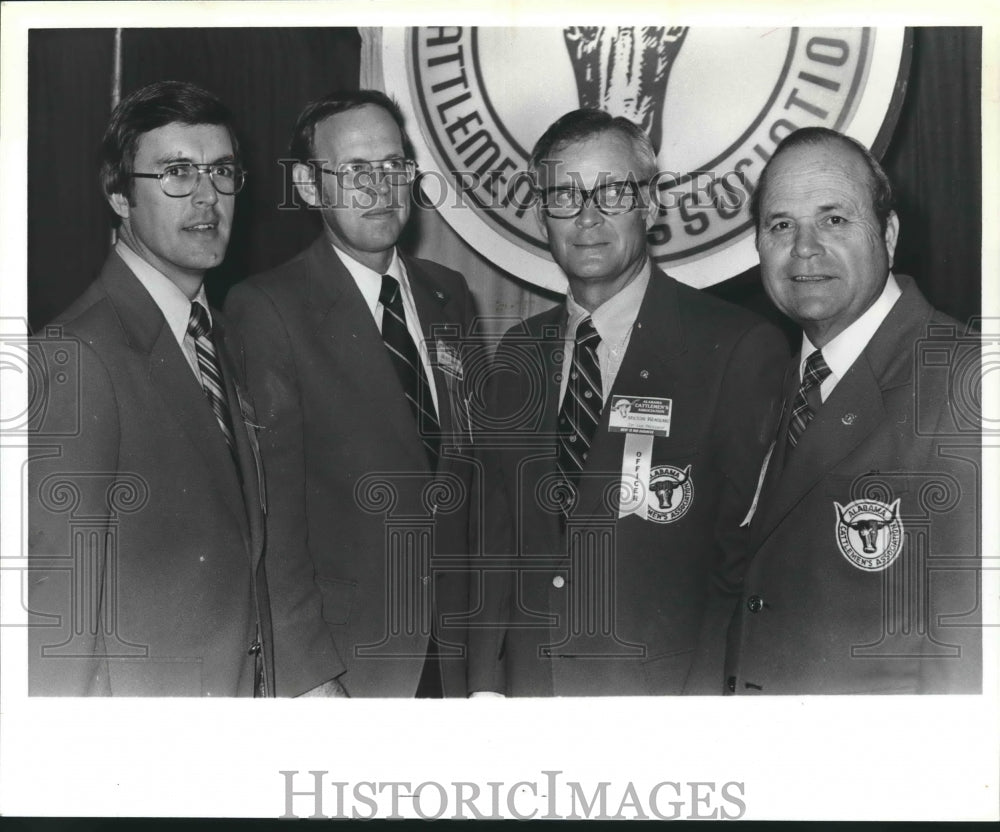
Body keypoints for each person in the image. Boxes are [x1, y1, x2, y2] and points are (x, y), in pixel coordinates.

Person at [468, 109, 789, 696]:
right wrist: (484, 685)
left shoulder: (736, 348)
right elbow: (497, 541)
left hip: (659, 701)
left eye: (612, 192)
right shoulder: (518, 354)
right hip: (526, 700)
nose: (587, 216)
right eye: (564, 194)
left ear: (651, 203)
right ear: (542, 214)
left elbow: (748, 566)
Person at [225, 90, 477, 697]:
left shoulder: (450, 294)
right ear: (311, 189)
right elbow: (272, 516)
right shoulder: (268, 309)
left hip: (463, 648)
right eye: (357, 171)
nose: (380, 189)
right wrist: (310, 672)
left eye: (394, 167)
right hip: (353, 659)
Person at [28, 80, 273, 696]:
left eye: (222, 171)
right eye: (176, 173)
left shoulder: (218, 335)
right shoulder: (74, 356)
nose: (207, 197)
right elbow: (55, 620)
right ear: (118, 195)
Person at [724, 126, 982, 694]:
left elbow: (971, 657)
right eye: (781, 224)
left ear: (888, 233)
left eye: (834, 219)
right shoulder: (766, 381)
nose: (805, 248)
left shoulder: (966, 384)